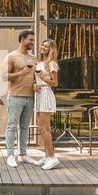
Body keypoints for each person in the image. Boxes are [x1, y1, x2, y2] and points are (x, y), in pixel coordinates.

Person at [2, 30, 38, 168]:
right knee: (11, 126)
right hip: (15, 97)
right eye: (30, 40)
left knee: (24, 127)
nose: (32, 43)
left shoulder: (34, 58)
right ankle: (10, 155)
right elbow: (5, 76)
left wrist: (35, 83)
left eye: (33, 40)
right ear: (22, 40)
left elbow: (36, 77)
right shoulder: (11, 56)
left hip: (30, 98)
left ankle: (22, 155)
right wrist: (20, 73)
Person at [33, 38, 60, 170]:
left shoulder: (52, 64)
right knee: (43, 128)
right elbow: (37, 80)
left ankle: (52, 158)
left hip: (46, 95)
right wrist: (34, 85)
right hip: (39, 94)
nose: (43, 47)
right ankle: (47, 155)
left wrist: (43, 78)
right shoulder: (39, 63)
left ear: (51, 49)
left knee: (44, 129)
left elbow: (55, 83)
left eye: (46, 46)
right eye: (42, 45)